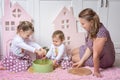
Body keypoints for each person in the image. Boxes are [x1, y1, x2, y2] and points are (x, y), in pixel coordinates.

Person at [72, 8, 115, 77]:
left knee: (73, 58)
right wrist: (81, 61)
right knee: (73, 51)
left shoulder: (101, 34)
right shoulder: (92, 27)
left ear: (91, 22)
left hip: (104, 59)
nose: (81, 26)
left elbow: (96, 55)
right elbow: (90, 47)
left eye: (83, 24)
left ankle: (88, 63)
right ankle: (82, 60)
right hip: (94, 51)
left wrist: (96, 71)